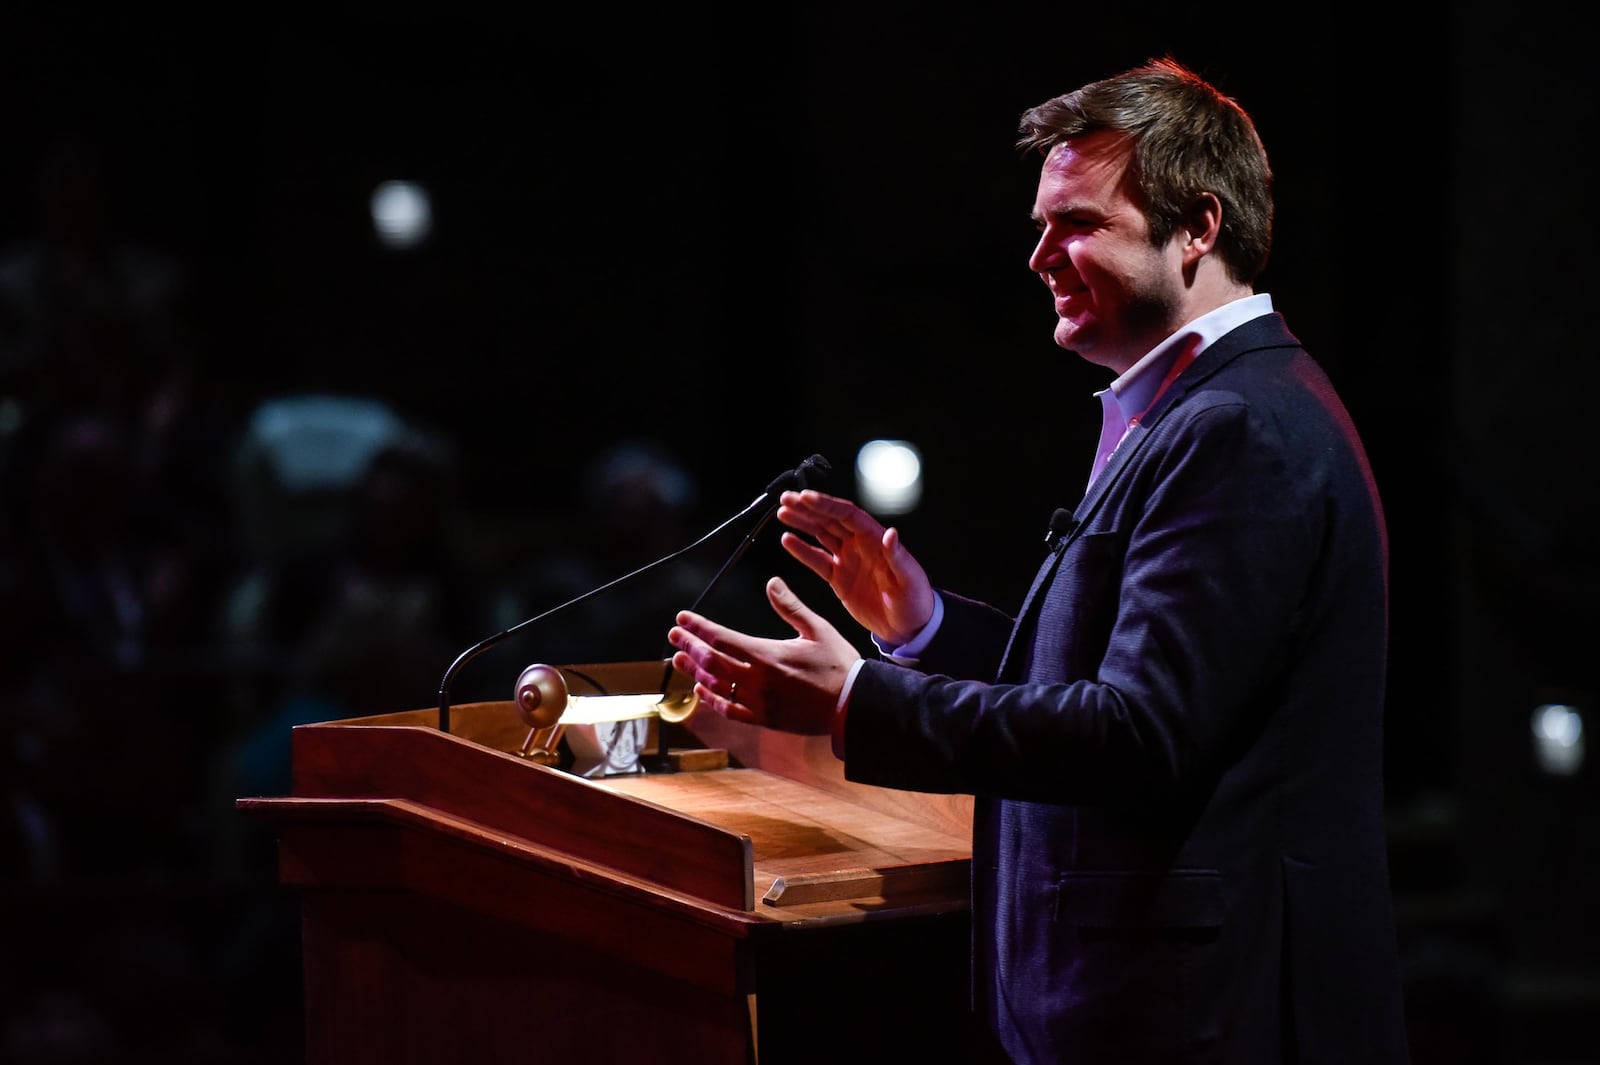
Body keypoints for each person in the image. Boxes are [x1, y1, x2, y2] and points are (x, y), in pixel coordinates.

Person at [667, 56, 1411, 1063]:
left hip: (1203, 1020)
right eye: (1038, 225)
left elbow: (1138, 732)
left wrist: (858, 702)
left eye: (1077, 222)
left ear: (1197, 227)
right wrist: (921, 628)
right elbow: (1115, 691)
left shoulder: (1240, 427)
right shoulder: (1202, 413)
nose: (1039, 256)